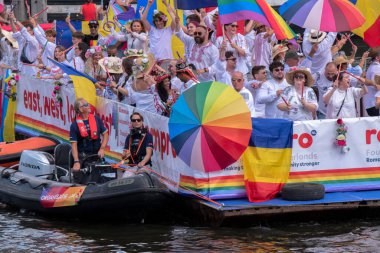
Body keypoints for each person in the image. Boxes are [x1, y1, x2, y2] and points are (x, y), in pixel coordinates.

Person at [70, 98, 109, 175]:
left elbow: (105, 134)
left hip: (96, 155)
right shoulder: (74, 125)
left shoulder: (96, 119)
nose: (89, 106)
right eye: (86, 105)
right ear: (81, 109)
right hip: (84, 157)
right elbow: (73, 145)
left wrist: (102, 149)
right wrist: (76, 161)